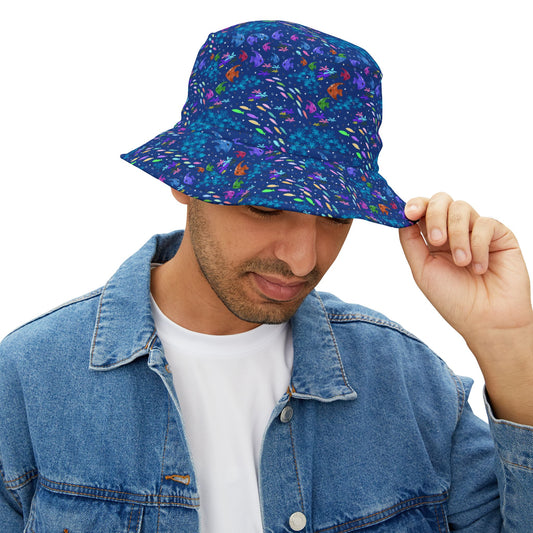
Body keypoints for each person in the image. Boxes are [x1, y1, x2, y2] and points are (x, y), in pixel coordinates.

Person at [1, 19, 532, 533]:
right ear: (184, 180)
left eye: (334, 216)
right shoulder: (29, 380)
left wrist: (508, 346)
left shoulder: (409, 382)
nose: (302, 260)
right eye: (266, 207)